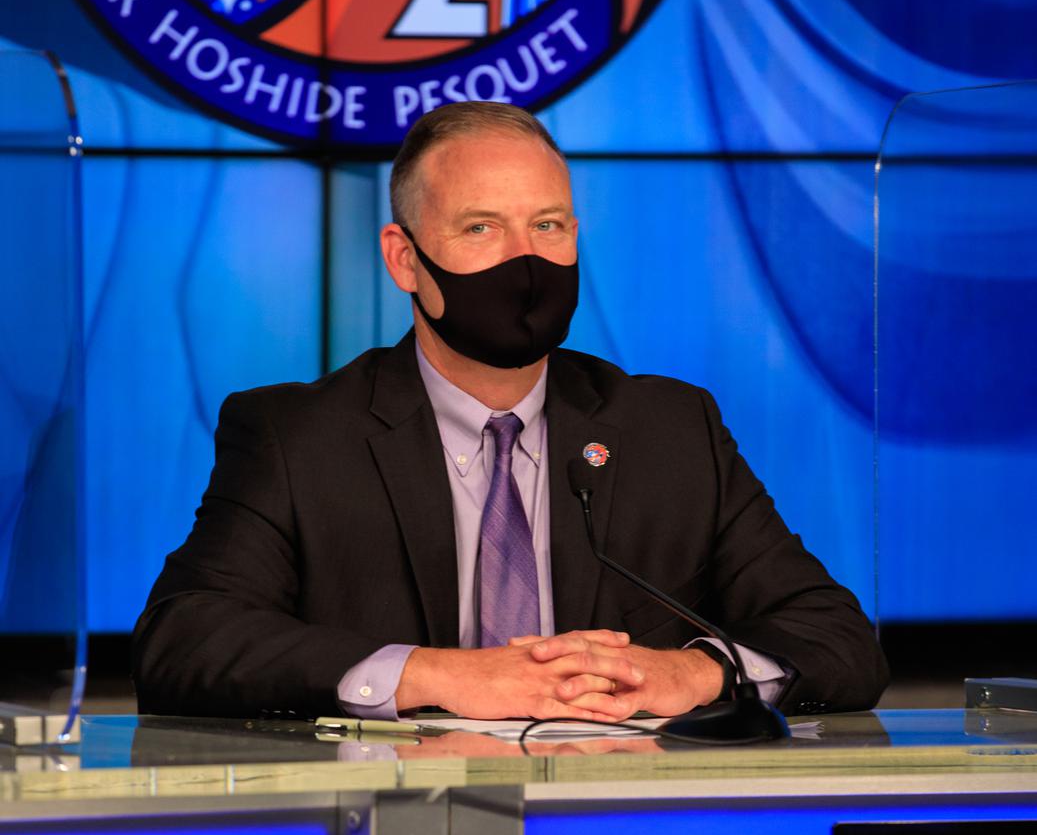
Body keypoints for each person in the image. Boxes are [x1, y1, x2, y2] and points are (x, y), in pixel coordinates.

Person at [132, 102, 887, 721]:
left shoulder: (669, 429)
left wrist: (694, 674)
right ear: (404, 260)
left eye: (548, 226)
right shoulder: (299, 438)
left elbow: (839, 640)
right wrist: (432, 675)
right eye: (480, 228)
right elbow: (184, 640)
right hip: (391, 831)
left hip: (629, 827)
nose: (524, 261)